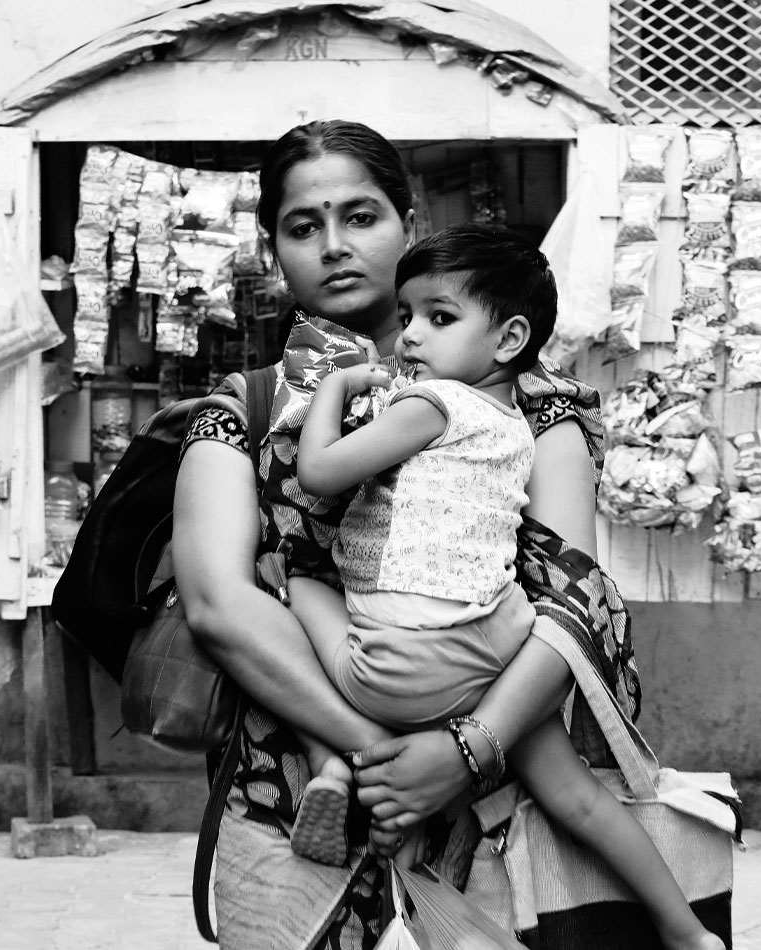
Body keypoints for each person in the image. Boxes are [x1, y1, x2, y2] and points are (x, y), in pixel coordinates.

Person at [171, 119, 682, 949]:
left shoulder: (530, 408)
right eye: (304, 227)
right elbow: (217, 604)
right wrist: (386, 755)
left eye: (362, 216)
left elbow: (567, 603)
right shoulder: (245, 408)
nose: (335, 245)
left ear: (410, 226)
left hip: (492, 815)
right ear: (273, 252)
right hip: (291, 815)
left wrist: (467, 753)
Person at [282, 225, 723, 950]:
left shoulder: (429, 406)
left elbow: (320, 473)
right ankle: (686, 932)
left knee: (297, 585)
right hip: (502, 641)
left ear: (511, 337)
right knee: (575, 794)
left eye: (440, 317)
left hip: (407, 660)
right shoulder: (518, 423)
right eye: (408, 317)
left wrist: (332, 388)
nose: (411, 337)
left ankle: (335, 765)